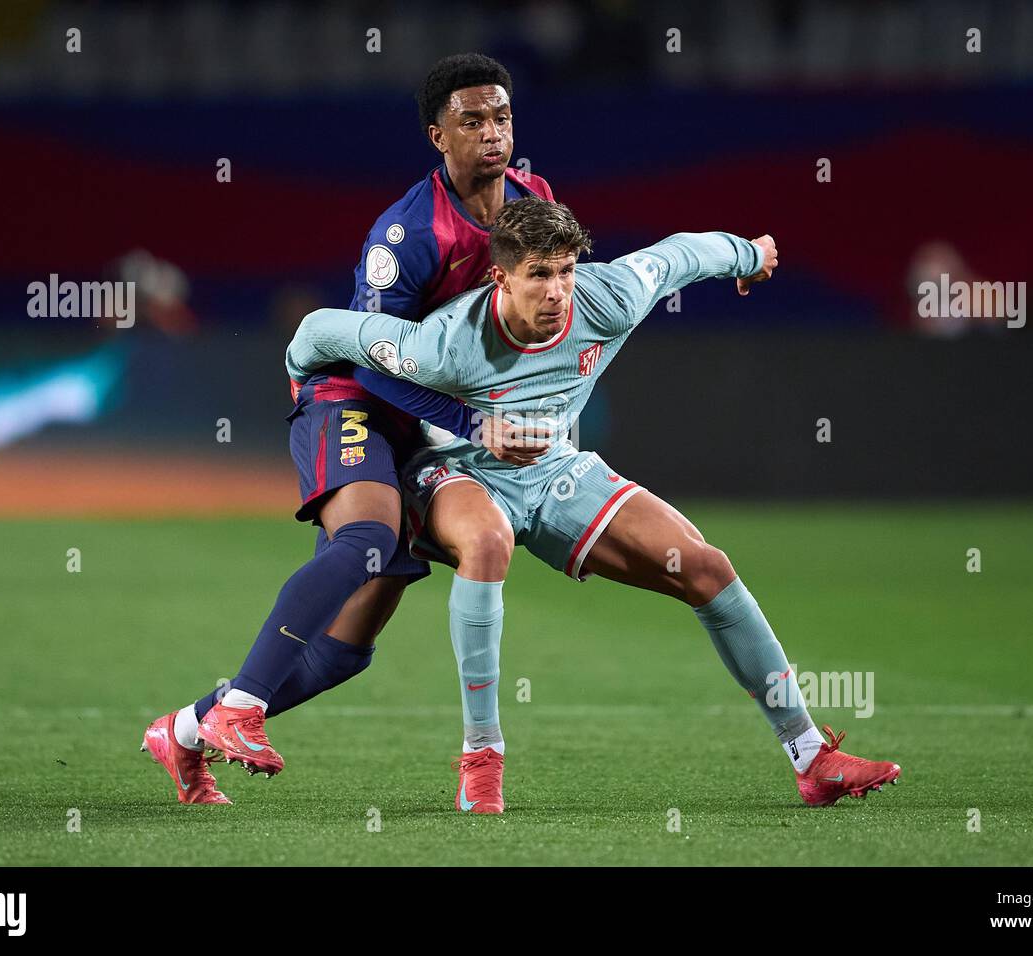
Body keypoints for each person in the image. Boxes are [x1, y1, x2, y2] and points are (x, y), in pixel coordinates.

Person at [285, 196, 902, 812]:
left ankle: (811, 756)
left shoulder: (607, 297)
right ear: (500, 277)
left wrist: (749, 253)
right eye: (539, 274)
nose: (558, 291)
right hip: (457, 471)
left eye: (565, 271)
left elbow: (682, 254)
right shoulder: (444, 343)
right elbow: (316, 332)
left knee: (706, 567)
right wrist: (454, 422)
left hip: (555, 468)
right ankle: (482, 755)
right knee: (487, 543)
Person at [141, 54, 556, 804]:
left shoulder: (534, 203)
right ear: (439, 136)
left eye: (501, 117)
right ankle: (241, 708)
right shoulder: (406, 238)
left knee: (341, 654)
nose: (492, 134)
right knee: (364, 542)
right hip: (354, 399)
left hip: (425, 426)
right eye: (472, 121)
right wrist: (471, 422)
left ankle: (183, 732)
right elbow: (371, 363)